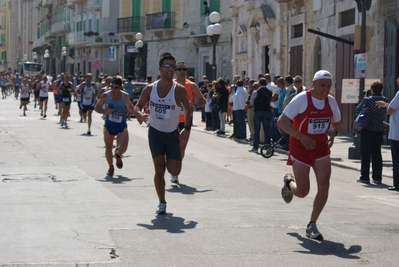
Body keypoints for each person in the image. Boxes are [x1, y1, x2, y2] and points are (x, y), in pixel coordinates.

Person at [277, 70, 342, 240]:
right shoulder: (301, 99)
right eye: (322, 85)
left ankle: (312, 224)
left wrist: (332, 132)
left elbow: (338, 123)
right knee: (303, 191)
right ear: (313, 84)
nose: (325, 89)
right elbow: (282, 122)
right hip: (300, 147)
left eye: (328, 86)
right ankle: (288, 183)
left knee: (324, 184)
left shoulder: (331, 101)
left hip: (320, 147)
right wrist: (301, 136)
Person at [134, 54, 191, 214]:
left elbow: (188, 108)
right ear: (159, 68)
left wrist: (186, 129)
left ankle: (172, 156)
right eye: (167, 66)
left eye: (172, 66)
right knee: (159, 169)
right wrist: (138, 114)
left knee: (174, 170)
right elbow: (137, 106)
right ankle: (162, 202)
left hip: (172, 134)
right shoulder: (150, 88)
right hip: (155, 133)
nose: (171, 69)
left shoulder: (179, 90)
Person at [94, 77, 145, 176]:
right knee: (108, 147)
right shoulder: (106, 95)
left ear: (120, 87)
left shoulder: (124, 96)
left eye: (116, 87)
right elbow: (96, 107)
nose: (113, 89)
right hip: (109, 125)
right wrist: (105, 111)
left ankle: (117, 154)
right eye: (112, 87)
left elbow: (130, 107)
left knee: (124, 147)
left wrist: (139, 116)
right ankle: (110, 167)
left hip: (121, 124)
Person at [171, 61, 206, 183]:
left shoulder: (191, 86)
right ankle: (172, 165)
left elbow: (203, 101)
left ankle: (175, 172)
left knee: (182, 147)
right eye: (179, 69)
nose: (182, 72)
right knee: (172, 146)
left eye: (184, 69)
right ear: (175, 71)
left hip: (186, 120)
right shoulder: (171, 84)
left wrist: (195, 104)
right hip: (171, 120)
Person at [355, 81, 388, 184]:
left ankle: (364, 176)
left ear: (372, 90)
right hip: (379, 130)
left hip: (367, 130)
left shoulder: (367, 100)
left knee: (365, 154)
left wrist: (365, 97)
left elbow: (358, 109)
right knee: (376, 154)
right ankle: (377, 177)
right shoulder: (385, 100)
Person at [376, 78, 399, 191]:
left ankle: (397, 184)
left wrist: (387, 107)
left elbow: (391, 109)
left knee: (396, 160)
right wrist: (387, 104)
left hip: (397, 133)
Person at [248, 78, 272, 152]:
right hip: (267, 111)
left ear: (260, 84)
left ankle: (255, 147)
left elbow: (251, 102)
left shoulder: (256, 92)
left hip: (258, 112)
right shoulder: (269, 92)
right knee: (266, 130)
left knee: (257, 130)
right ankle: (268, 147)